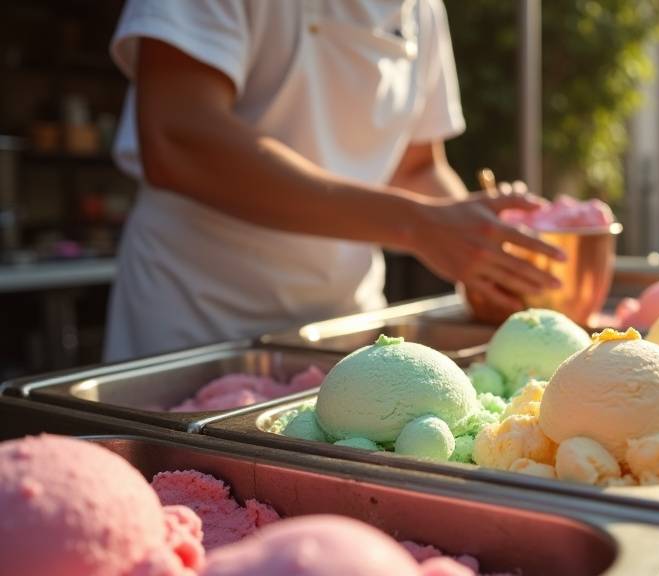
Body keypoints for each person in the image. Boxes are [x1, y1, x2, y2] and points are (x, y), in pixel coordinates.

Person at [103, 1, 563, 361]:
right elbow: (178, 135)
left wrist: (482, 249)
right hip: (197, 321)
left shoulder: (423, 9)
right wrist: (419, 226)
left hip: (345, 325)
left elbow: (416, 166)